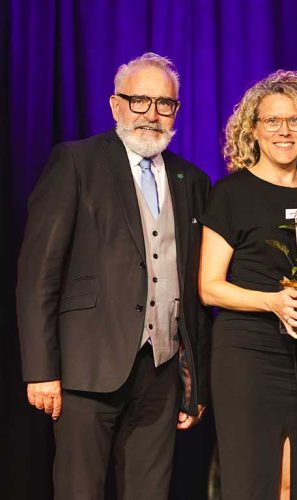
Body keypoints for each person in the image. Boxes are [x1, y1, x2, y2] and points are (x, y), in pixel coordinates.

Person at [16, 52, 211, 499]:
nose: (152, 114)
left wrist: (194, 380)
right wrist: (41, 370)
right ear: (115, 105)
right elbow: (38, 273)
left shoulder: (191, 179)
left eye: (165, 104)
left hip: (160, 372)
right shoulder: (76, 161)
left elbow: (193, 291)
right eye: (139, 100)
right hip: (86, 368)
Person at [198, 70, 297, 500]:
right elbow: (209, 286)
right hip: (246, 354)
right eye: (273, 121)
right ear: (254, 130)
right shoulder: (230, 194)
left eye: (295, 120)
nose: (285, 130)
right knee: (252, 480)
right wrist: (274, 303)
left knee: (295, 481)